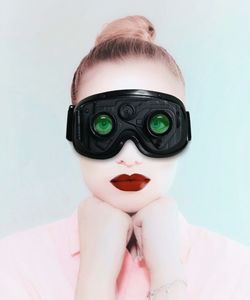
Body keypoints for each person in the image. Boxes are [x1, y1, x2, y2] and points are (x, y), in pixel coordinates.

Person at [0, 15, 250, 300]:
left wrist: (168, 276)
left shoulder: (238, 270)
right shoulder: (13, 264)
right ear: (74, 131)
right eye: (103, 126)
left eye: (157, 125)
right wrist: (95, 278)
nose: (128, 156)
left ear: (184, 130)